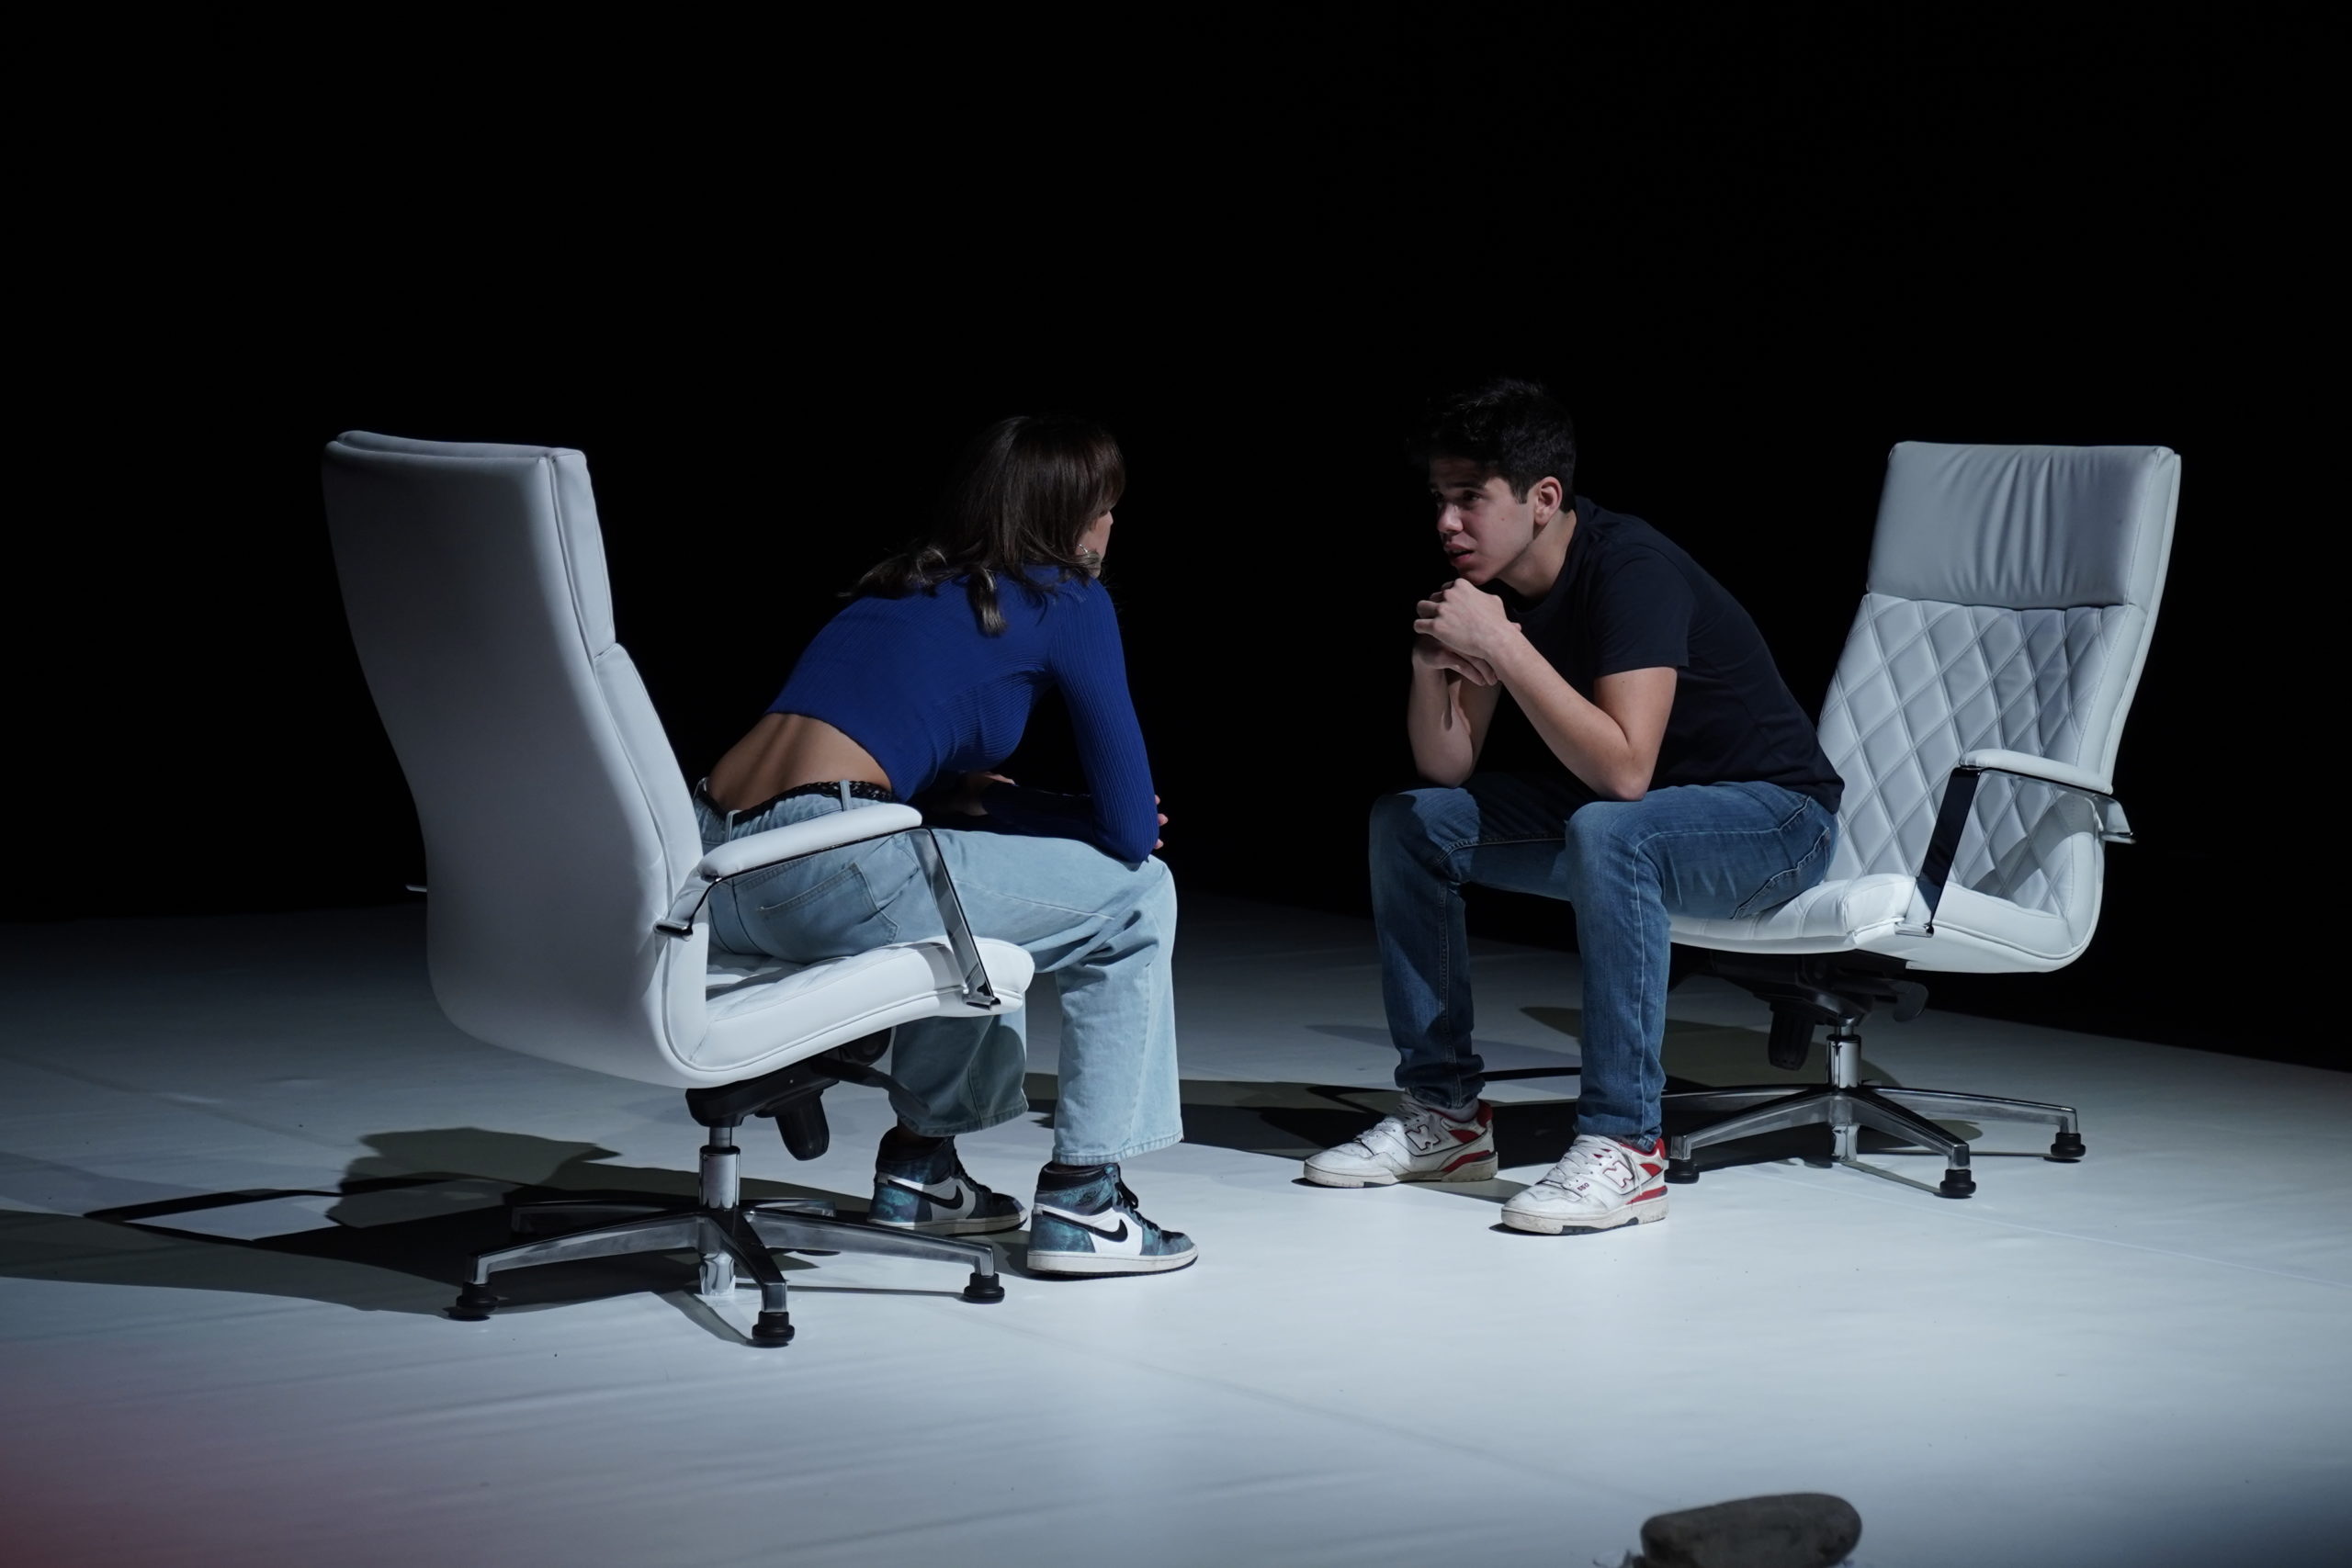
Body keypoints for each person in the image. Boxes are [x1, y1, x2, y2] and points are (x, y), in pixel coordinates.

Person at [1303, 378, 1843, 1234]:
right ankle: (1444, 1115)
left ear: (1544, 498)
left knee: (1610, 827)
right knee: (1409, 822)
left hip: (1775, 822)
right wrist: (1428, 664)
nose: (1447, 522)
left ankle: (1627, 1144)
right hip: (1635, 818)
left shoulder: (1631, 570)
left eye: (1470, 498)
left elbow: (1626, 771)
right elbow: (1447, 769)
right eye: (1438, 499)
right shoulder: (1490, 589)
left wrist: (1503, 647)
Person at [696, 413, 1193, 1276]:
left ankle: (922, 1172)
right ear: (1076, 517)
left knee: (965, 882)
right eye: (1108, 506)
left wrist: (996, 803)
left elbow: (862, 766)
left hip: (712, 867)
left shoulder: (893, 589)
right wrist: (1068, 815)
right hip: (825, 866)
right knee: (1141, 893)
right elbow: (1126, 832)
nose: (1113, 524)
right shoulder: (1069, 598)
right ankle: (1086, 1199)